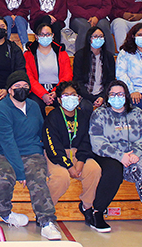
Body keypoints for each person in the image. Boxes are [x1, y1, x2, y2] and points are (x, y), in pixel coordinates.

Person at [0, 71, 61, 240]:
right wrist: (20, 172)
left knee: (37, 177)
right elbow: (7, 142)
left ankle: (46, 221)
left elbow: (41, 130)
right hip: (5, 153)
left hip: (32, 152)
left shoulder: (34, 106)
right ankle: (5, 212)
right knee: (2, 176)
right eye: (17, 86)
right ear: (9, 90)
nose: (21, 89)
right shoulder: (0, 109)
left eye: (25, 86)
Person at [89, 80, 142, 232]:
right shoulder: (99, 114)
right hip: (109, 155)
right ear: (107, 96)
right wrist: (119, 156)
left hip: (134, 154)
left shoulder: (137, 114)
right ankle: (98, 212)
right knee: (113, 171)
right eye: (113, 94)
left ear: (126, 96)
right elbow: (97, 141)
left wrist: (136, 154)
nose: (117, 97)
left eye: (120, 94)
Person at [44, 81, 100, 229]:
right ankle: (46, 211)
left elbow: (87, 141)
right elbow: (52, 146)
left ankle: (87, 206)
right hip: (57, 154)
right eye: (66, 95)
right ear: (59, 100)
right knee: (61, 177)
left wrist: (81, 161)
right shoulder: (53, 117)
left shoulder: (84, 116)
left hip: (77, 153)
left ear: (79, 98)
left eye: (73, 95)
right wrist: (69, 166)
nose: (70, 98)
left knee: (94, 170)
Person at [24, 23, 73, 116]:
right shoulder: (28, 54)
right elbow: (28, 77)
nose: (45, 37)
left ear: (53, 36)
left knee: (66, 105)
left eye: (48, 34)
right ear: (36, 37)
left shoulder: (61, 53)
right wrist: (43, 94)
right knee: (35, 106)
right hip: (37, 90)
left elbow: (67, 75)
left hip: (58, 89)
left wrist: (56, 91)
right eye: (42, 34)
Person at [73, 27, 115, 108]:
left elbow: (110, 80)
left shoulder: (109, 57)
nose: (98, 39)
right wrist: (91, 98)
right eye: (95, 36)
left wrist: (102, 96)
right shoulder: (80, 55)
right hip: (85, 95)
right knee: (86, 107)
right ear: (89, 38)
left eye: (101, 36)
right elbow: (78, 81)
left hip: (103, 94)